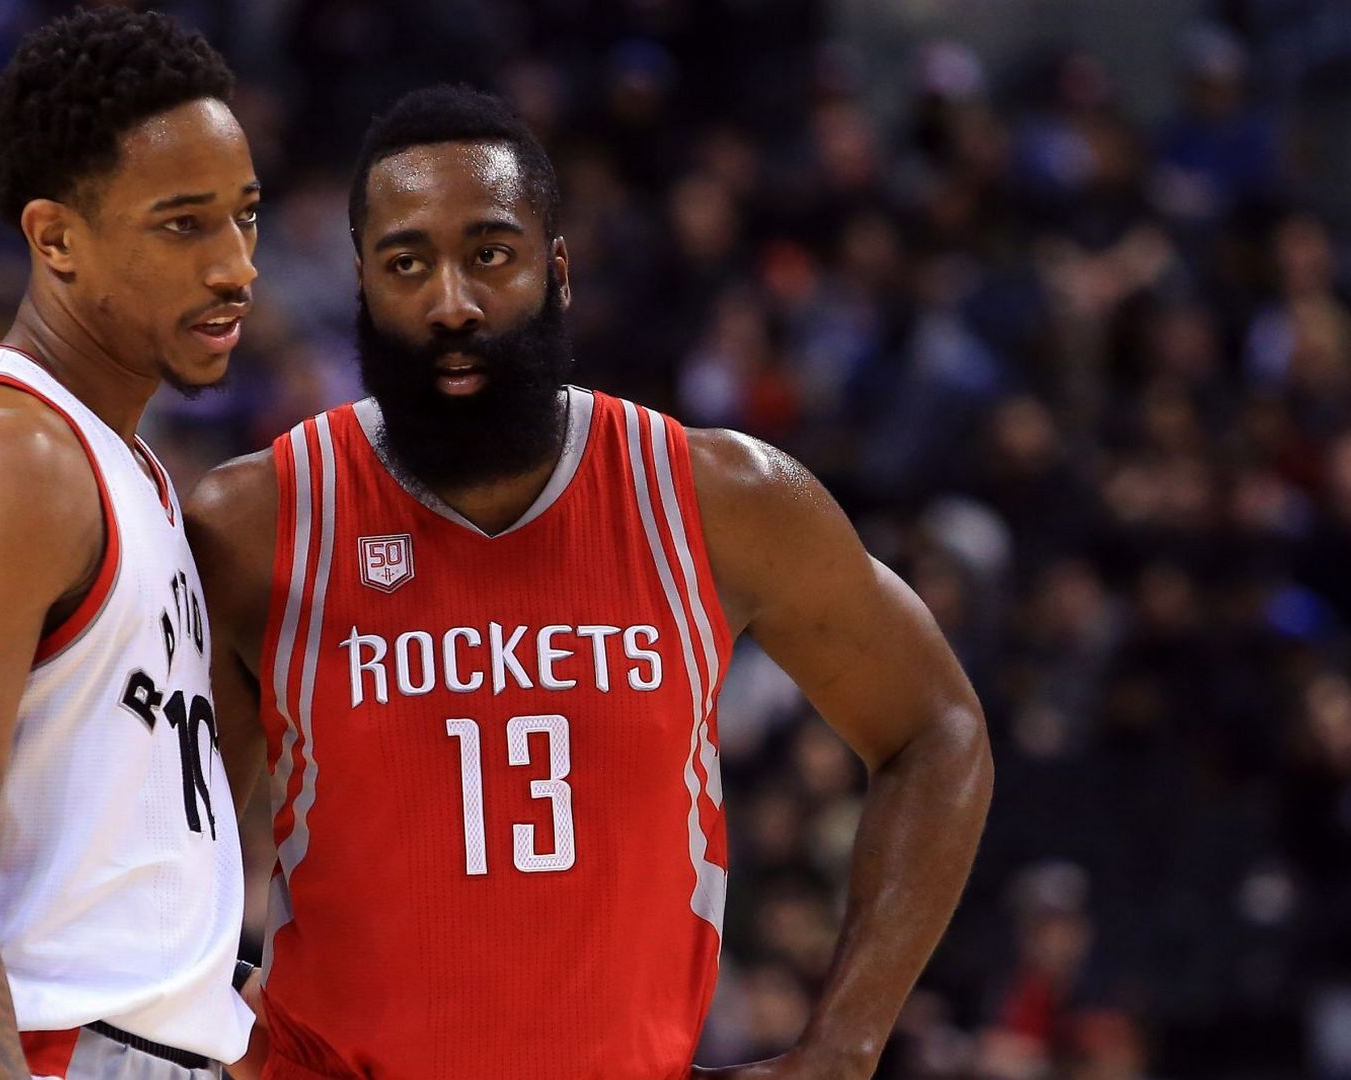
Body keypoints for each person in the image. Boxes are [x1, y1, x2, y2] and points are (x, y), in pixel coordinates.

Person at [186, 86, 993, 1079]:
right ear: (362, 286)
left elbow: (937, 730)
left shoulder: (719, 500)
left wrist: (844, 1045)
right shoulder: (257, 524)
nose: (451, 302)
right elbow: (163, 848)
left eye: (491, 254)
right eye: (407, 264)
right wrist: (207, 1021)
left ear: (556, 270)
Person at [0, 10, 263, 1079]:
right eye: (183, 225)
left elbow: (125, 895)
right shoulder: (3, 458)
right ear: (56, 238)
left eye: (244, 217)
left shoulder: (124, 469)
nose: (235, 267)